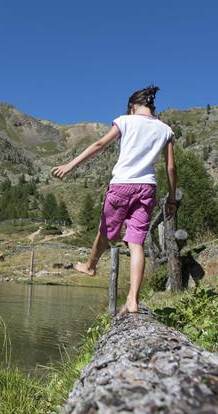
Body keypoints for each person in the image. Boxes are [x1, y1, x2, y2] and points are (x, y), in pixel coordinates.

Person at [51, 85, 177, 314]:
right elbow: (170, 166)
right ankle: (133, 300)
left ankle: (90, 266)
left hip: (122, 185)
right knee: (136, 242)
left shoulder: (125, 121)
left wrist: (70, 165)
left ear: (132, 107)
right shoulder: (165, 129)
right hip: (147, 188)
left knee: (107, 230)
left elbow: (99, 145)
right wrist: (171, 197)